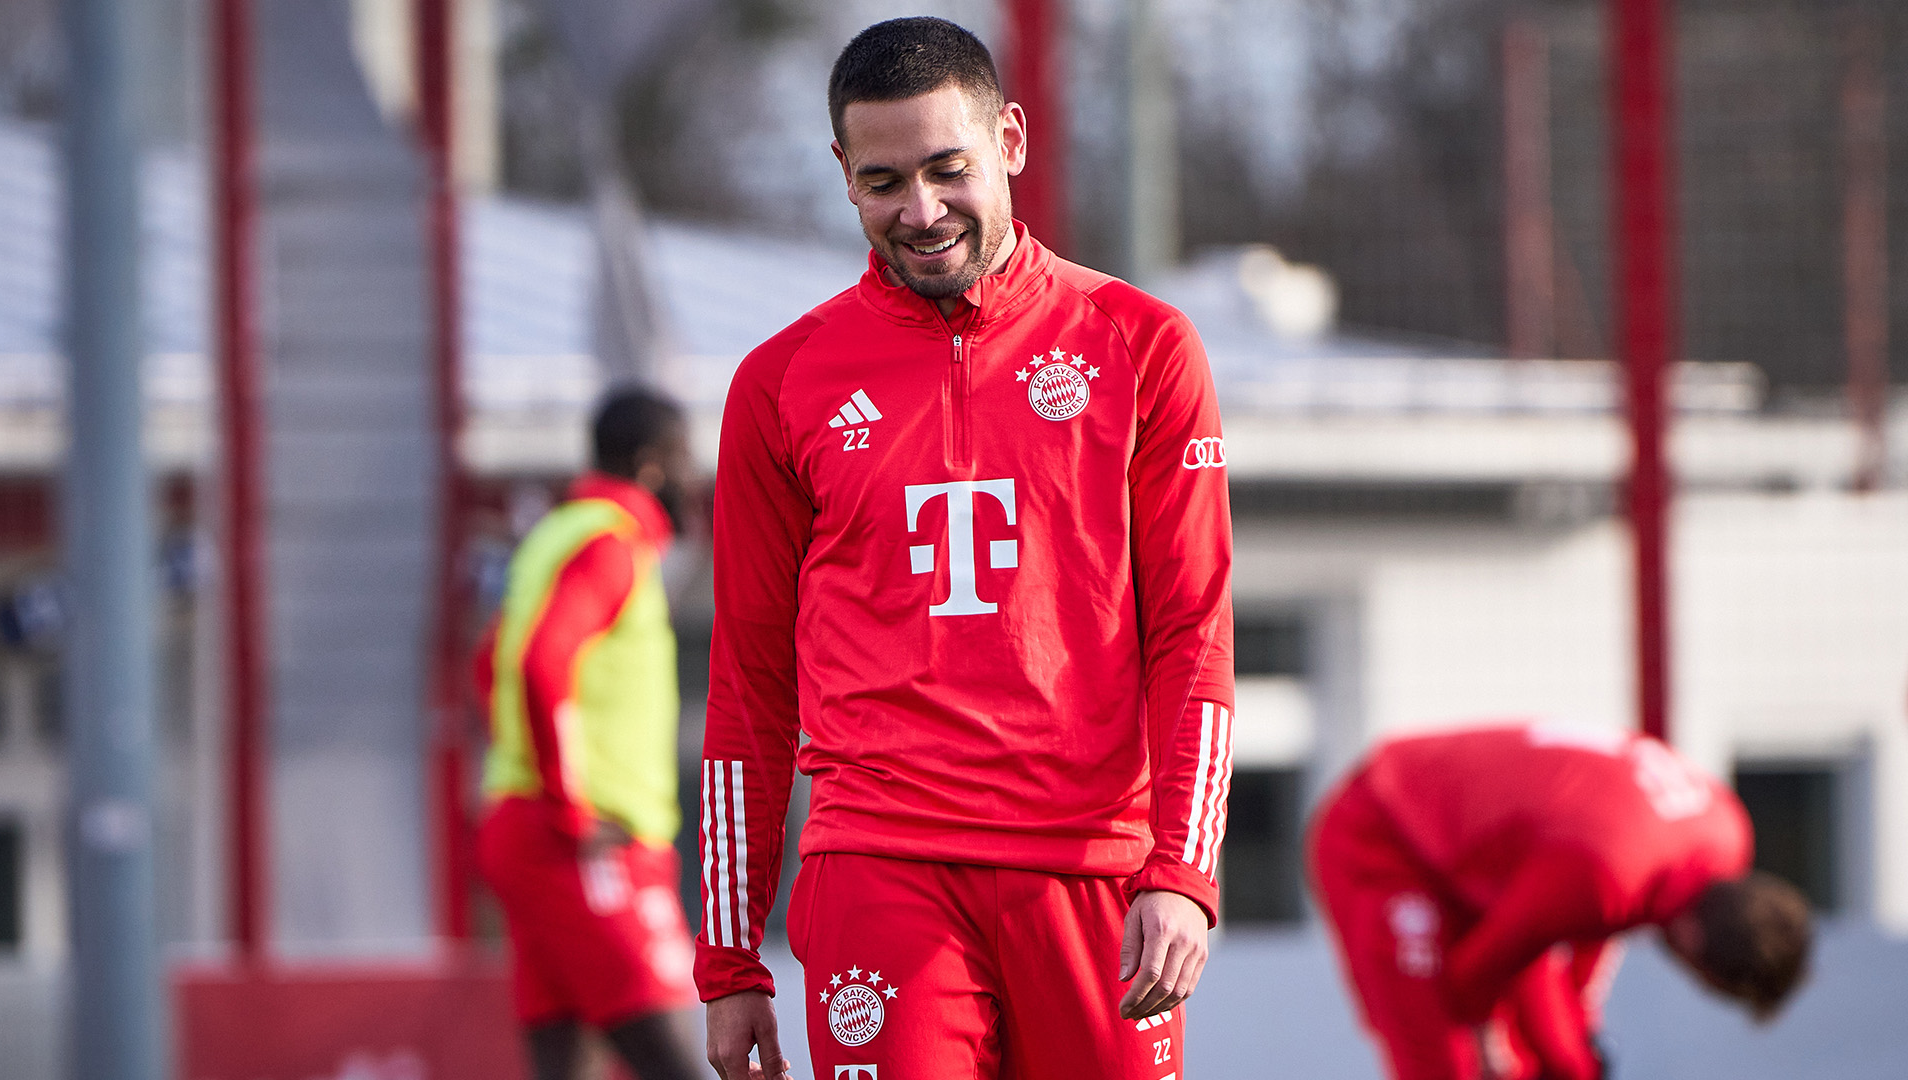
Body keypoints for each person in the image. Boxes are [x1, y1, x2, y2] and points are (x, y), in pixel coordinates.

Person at [695, 16, 1235, 1080]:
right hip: (879, 869)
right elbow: (749, 683)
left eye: (950, 169)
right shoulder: (779, 383)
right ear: (844, 175)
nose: (922, 210)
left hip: (1093, 870)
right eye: (885, 180)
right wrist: (728, 961)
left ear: (1013, 143)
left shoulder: (1142, 347)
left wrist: (1182, 870)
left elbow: (1192, 635)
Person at [1308, 721, 1814, 1080]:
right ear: (1698, 946)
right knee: (1440, 1059)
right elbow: (1478, 975)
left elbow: (1564, 932)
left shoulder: (1724, 831)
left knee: (1547, 1062)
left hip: (1464, 843)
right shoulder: (1609, 877)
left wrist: (1569, 1052)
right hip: (1384, 829)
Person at [475, 387, 705, 1080]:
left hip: (525, 825)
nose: (694, 480)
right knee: (679, 1062)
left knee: (563, 1061)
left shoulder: (552, 534)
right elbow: (541, 660)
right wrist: (571, 806)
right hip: (583, 837)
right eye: (685, 461)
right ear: (653, 465)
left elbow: (490, 665)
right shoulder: (611, 543)